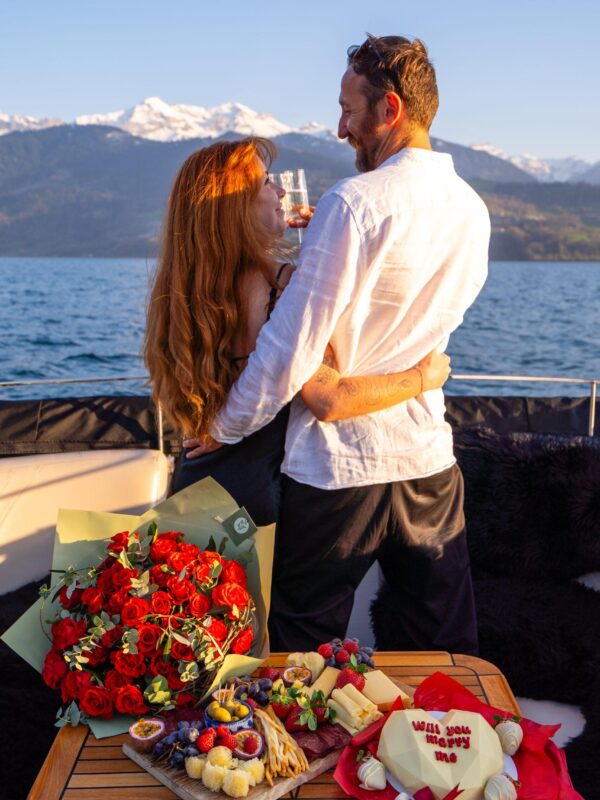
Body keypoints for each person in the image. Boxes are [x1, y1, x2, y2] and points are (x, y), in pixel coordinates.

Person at [197, 35, 491, 655]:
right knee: (440, 649)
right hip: (427, 464)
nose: (339, 128)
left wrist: (222, 430)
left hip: (337, 473)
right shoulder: (473, 211)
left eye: (348, 109)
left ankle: (311, 756)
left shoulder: (353, 205)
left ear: (389, 110)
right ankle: (442, 746)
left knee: (303, 653)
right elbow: (425, 334)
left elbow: (288, 351)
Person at [144, 137, 451, 526]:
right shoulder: (282, 290)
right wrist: (423, 377)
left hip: (199, 479)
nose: (282, 191)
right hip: (256, 492)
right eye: (266, 183)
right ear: (235, 208)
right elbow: (328, 395)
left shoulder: (183, 291)